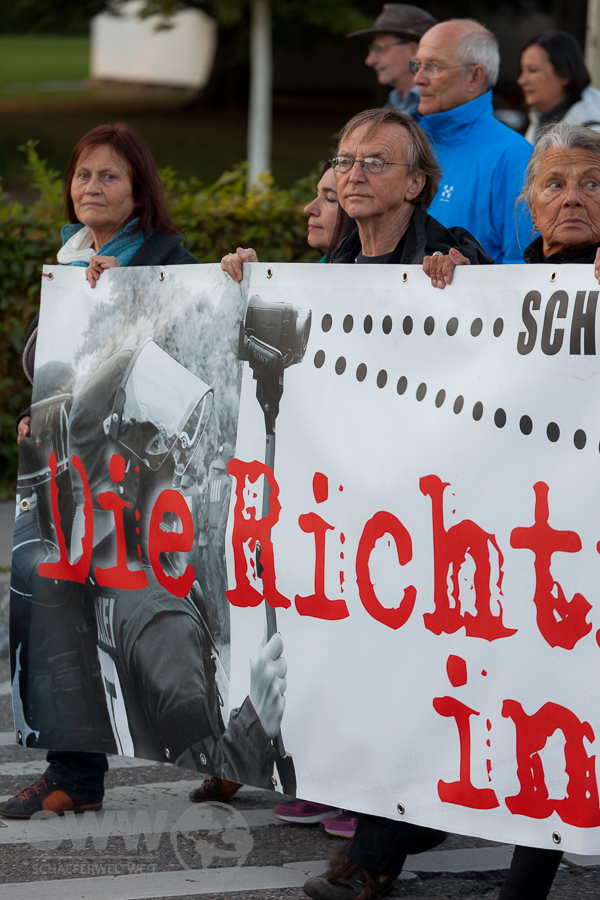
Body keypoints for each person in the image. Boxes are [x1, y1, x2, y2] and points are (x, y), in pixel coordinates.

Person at [307, 120, 600, 900]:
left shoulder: (514, 277)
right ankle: (393, 845)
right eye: (555, 184)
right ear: (529, 203)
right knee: (459, 684)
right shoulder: (500, 284)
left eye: (593, 183)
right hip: (491, 536)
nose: (573, 198)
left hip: (572, 544)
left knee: (563, 696)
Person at [0, 122, 208, 820]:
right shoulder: (70, 260)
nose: (92, 186)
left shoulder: (170, 266)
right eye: (83, 174)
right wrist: (42, 413)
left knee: (154, 649)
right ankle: (73, 774)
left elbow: (190, 379)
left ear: (139, 192)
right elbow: (54, 369)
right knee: (55, 619)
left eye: (110, 176)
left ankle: (220, 756)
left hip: (137, 500)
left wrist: (131, 300)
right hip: (67, 485)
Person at [411, 18, 533, 264]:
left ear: (475, 77)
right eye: (417, 66)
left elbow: (527, 267)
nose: (418, 79)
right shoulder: (407, 145)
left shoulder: (514, 158)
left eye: (433, 66)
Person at [221, 162, 354, 281]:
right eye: (317, 195)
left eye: (330, 198)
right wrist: (254, 276)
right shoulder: (324, 269)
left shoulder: (357, 278)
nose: (308, 209)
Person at [345, 3, 436, 114]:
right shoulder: (393, 103)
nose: (370, 61)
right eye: (372, 49)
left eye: (381, 48)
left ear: (414, 50)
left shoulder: (439, 107)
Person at [518, 31, 600, 145]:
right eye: (522, 71)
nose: (521, 80)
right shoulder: (540, 115)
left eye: (532, 70)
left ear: (563, 75)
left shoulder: (593, 128)